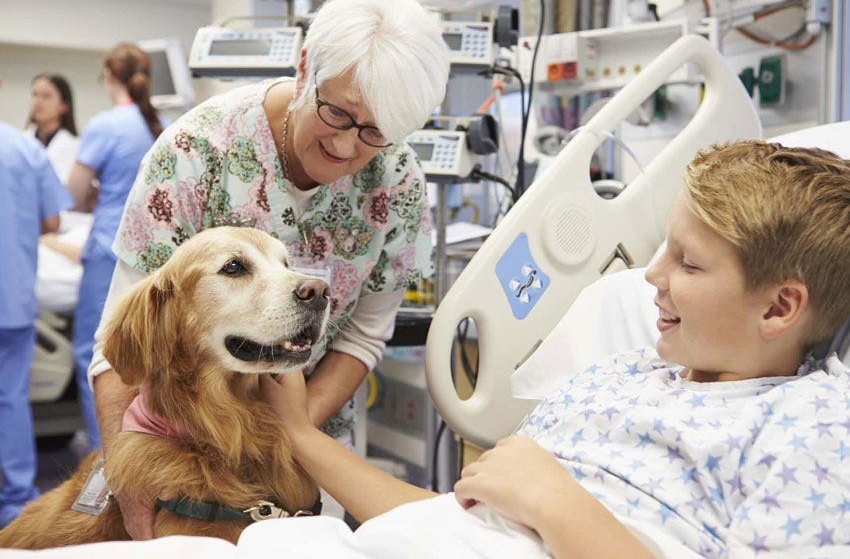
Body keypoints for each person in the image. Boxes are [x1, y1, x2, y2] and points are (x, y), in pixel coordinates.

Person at [261, 140, 850, 557]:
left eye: (689, 263)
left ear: (778, 308)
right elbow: (449, 521)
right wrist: (299, 434)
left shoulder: (810, 423)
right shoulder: (619, 377)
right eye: (665, 248)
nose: (651, 274)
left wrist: (555, 503)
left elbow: (535, 504)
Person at [86, 0, 450, 539]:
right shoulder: (194, 153)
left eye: (376, 132)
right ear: (305, 66)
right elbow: (120, 347)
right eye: (339, 113)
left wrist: (291, 433)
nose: (348, 146)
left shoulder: (396, 182)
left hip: (306, 453)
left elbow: (365, 336)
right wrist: (136, 506)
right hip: (179, 451)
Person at [67, 42, 169, 451]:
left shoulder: (106, 125)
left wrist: (98, 194)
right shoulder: (164, 123)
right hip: (158, 258)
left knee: (98, 359)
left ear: (109, 77)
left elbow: (72, 195)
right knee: (147, 361)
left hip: (110, 253)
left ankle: (104, 465)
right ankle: (145, 456)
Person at [0, 77, 74, 527]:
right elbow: (52, 218)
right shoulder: (22, 148)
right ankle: (14, 502)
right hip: (10, 298)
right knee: (9, 400)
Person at [26, 73, 80, 184]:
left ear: (64, 105)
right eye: (35, 95)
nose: (38, 102)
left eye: (46, 96)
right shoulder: (20, 141)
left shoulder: (77, 147)